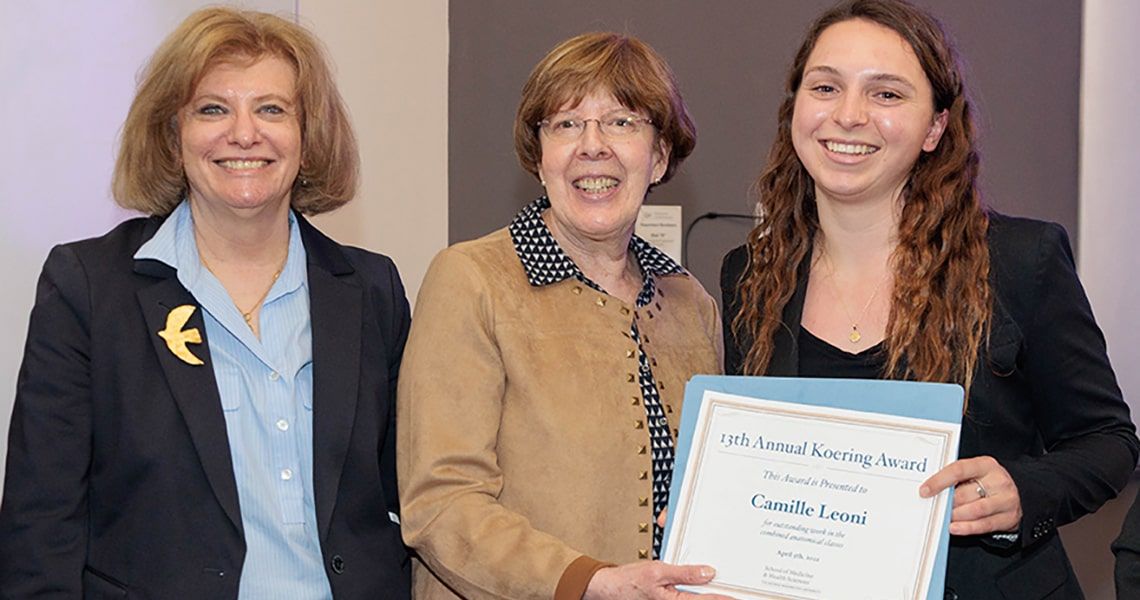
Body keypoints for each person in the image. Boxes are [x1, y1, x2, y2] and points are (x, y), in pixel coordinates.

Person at [719, 0, 1138, 598]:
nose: (848, 115)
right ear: (796, 109)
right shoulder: (751, 276)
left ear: (935, 127)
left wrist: (1024, 490)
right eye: (826, 87)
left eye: (886, 94)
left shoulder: (1020, 260)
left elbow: (1109, 444)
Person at [0, 8, 410, 598]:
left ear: (308, 133)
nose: (244, 133)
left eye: (272, 109)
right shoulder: (89, 287)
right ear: (173, 133)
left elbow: (405, 499)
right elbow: (40, 526)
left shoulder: (373, 290)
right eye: (212, 108)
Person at [398, 32, 727, 600]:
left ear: (660, 156)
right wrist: (586, 583)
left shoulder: (690, 303)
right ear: (540, 155)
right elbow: (441, 504)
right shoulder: (472, 280)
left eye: (622, 122)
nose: (592, 146)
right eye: (567, 124)